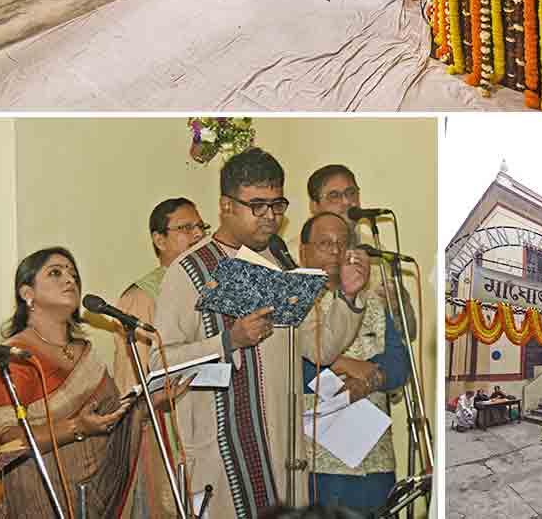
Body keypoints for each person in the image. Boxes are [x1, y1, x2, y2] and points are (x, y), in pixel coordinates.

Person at [150, 147, 369, 517]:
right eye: (257, 206)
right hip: (222, 459)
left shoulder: (283, 265)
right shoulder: (189, 271)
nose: (270, 217)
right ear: (226, 205)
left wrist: (349, 296)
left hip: (283, 458)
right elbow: (159, 366)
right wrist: (228, 341)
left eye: (277, 205)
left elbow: (321, 350)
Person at [0, 248, 184, 518]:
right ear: (26, 293)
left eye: (73, 274)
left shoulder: (86, 352)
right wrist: (77, 427)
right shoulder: (13, 359)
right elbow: (9, 440)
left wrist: (149, 403)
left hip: (103, 490)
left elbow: (113, 415)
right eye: (56, 273)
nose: (70, 279)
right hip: (43, 493)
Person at [300, 212, 410, 515]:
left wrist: (368, 381)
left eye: (342, 243)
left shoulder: (371, 301)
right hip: (319, 464)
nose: (336, 251)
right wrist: (346, 364)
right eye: (325, 243)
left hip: (375, 459)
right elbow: (288, 367)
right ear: (304, 251)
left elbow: (400, 365)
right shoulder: (294, 302)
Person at [113, 199, 209, 519]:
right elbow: (133, 385)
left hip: (209, 425)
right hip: (164, 433)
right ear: (159, 239)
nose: (197, 235)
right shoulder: (142, 297)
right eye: (185, 228)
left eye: (200, 227)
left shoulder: (212, 286)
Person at [306, 164, 417, 338]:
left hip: (381, 360)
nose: (346, 202)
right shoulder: (299, 254)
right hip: (326, 362)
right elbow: (300, 341)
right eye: (334, 196)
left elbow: (409, 334)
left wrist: (400, 306)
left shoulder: (376, 254)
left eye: (351, 193)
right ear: (315, 205)